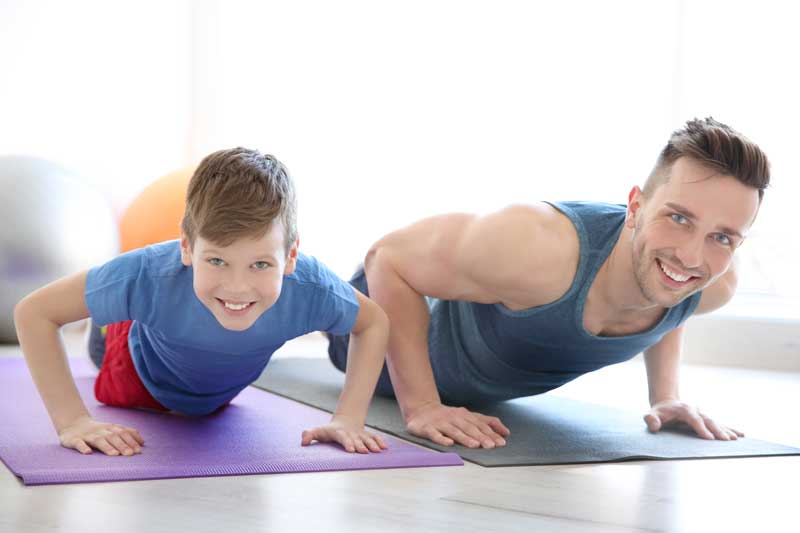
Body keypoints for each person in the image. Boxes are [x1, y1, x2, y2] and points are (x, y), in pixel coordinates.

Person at [328, 117, 770, 450]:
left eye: (722, 236)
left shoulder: (714, 281)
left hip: (476, 380)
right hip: (373, 330)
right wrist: (421, 405)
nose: (693, 254)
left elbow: (676, 291)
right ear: (635, 207)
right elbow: (387, 258)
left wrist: (666, 396)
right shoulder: (540, 248)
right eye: (678, 218)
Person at [14, 147, 390, 457]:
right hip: (134, 361)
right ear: (187, 247)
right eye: (217, 260)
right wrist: (72, 421)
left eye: (260, 264)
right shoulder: (148, 274)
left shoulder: (310, 286)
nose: (238, 287)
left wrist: (349, 419)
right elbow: (34, 312)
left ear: (290, 257)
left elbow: (372, 322)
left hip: (210, 389)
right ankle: (111, 318)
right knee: (117, 318)